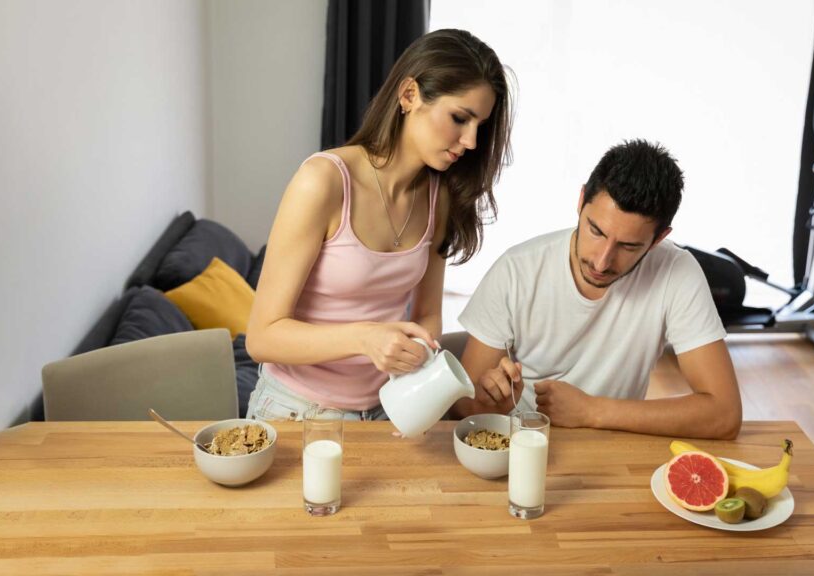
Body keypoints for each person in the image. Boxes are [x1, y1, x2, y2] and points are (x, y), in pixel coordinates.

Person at [245, 29, 513, 422]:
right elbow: (262, 337)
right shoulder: (324, 181)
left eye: (480, 126)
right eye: (460, 118)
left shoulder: (440, 199)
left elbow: (426, 316)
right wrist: (365, 337)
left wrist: (415, 372)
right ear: (409, 95)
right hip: (297, 410)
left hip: (388, 408)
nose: (471, 141)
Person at [452, 139, 742, 439]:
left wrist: (591, 411)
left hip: (613, 444)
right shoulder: (517, 269)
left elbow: (725, 414)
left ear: (658, 239)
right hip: (520, 443)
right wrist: (489, 404)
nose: (602, 262)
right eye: (596, 230)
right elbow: (462, 405)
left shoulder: (676, 271)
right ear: (580, 201)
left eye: (628, 246)